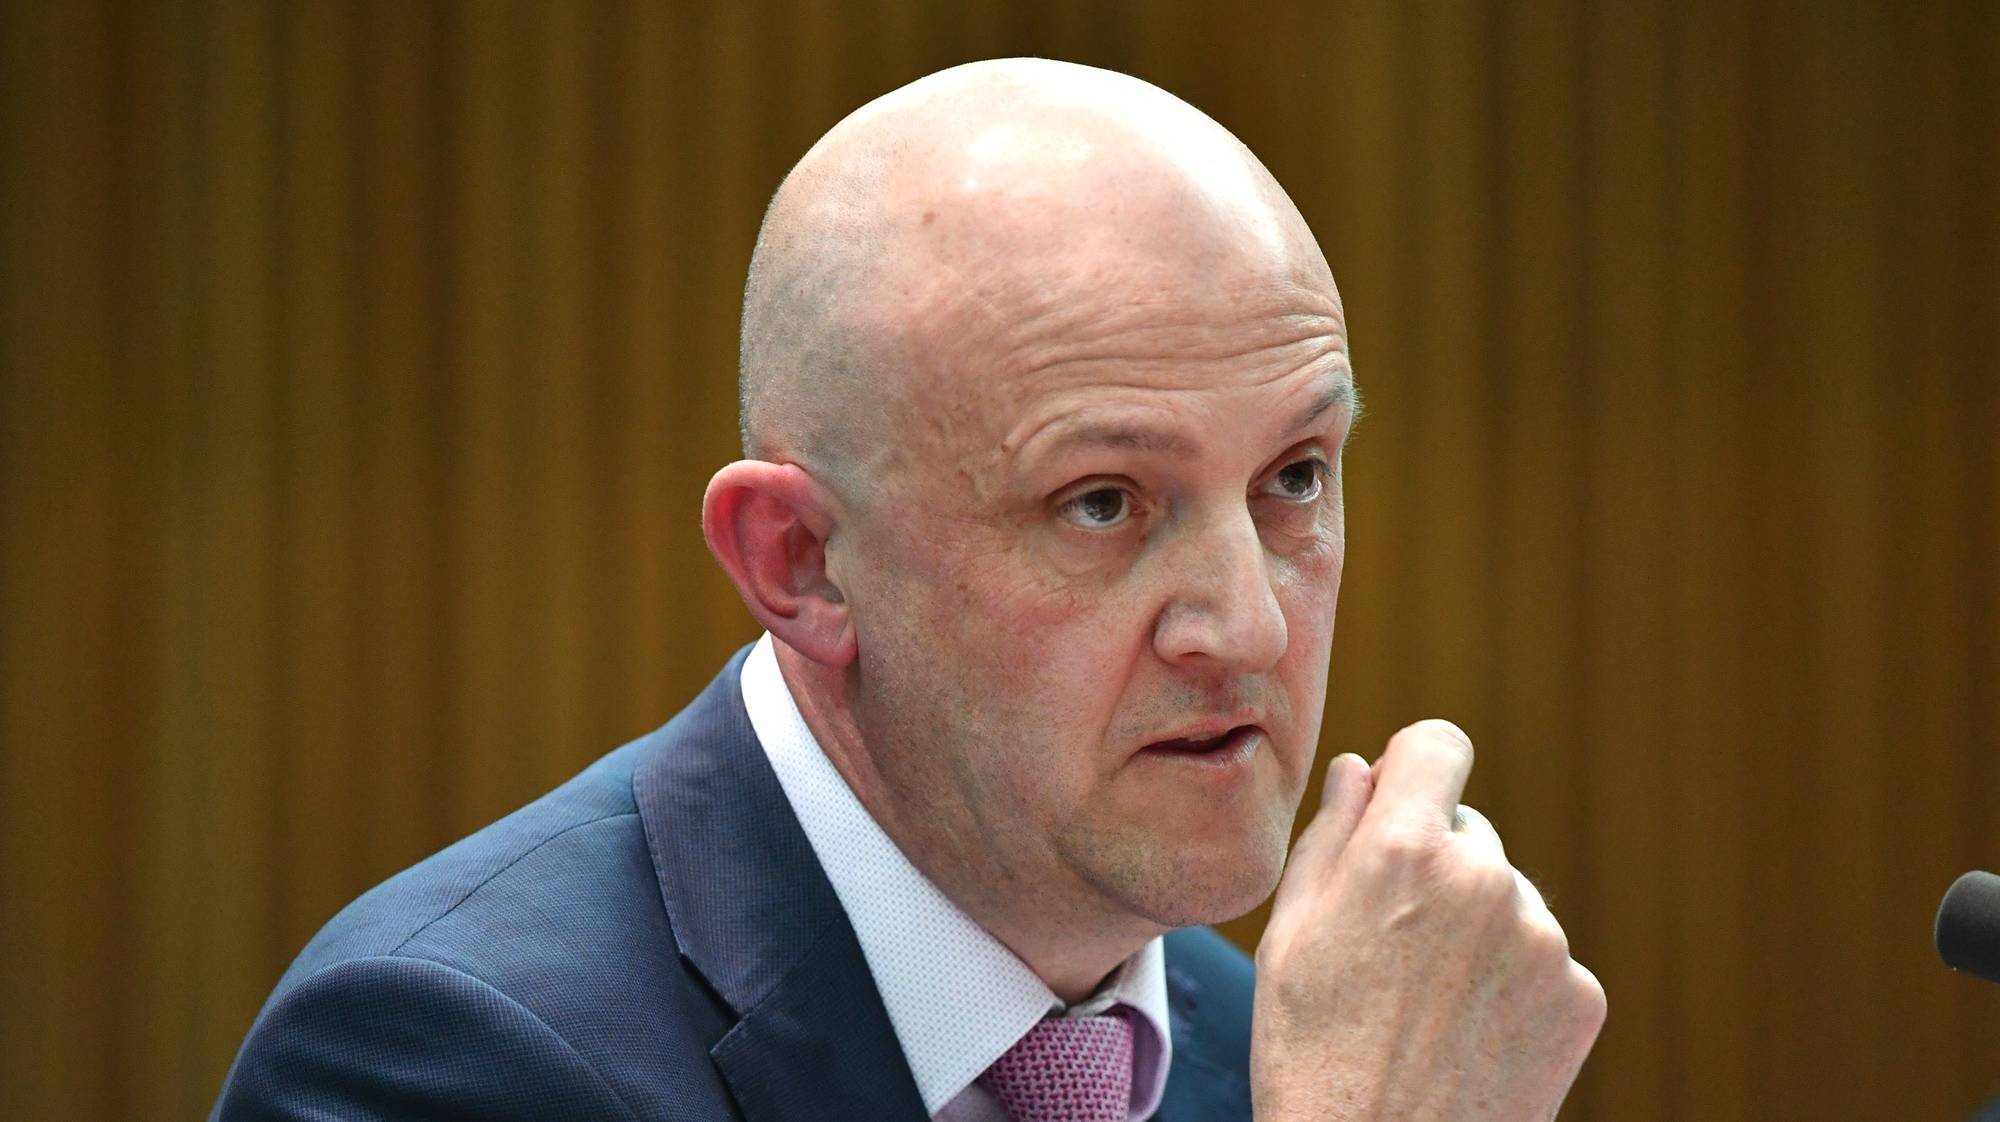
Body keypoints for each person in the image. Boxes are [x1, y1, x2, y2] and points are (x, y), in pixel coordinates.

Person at [212, 58, 1604, 1121]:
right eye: (1103, 502)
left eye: (1295, 476)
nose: (1249, 625)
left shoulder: (1266, 1047)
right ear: (797, 563)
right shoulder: (454, 1057)